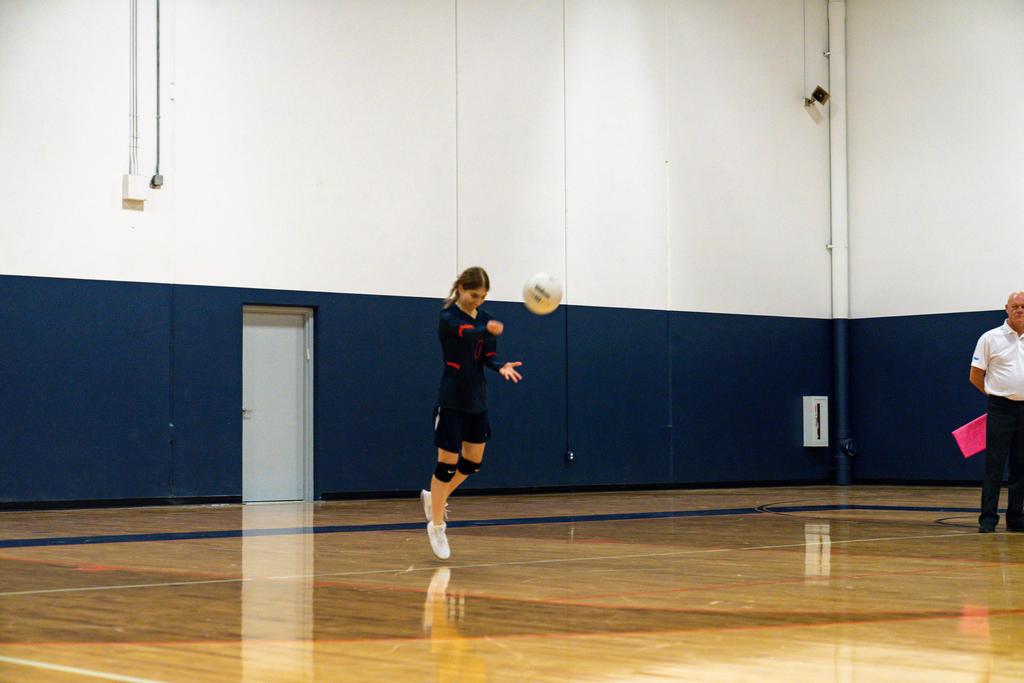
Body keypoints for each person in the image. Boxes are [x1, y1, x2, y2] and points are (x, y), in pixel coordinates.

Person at [420, 267, 523, 559]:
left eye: (483, 297)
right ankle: (437, 526)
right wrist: (485, 330)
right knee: (446, 465)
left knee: (473, 463)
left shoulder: (485, 319)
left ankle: (435, 497)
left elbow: (488, 355)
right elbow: (466, 333)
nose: (478, 301)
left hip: (477, 399)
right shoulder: (448, 317)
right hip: (452, 399)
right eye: (474, 295)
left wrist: (500, 366)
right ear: (461, 289)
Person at [970, 291, 1024, 532]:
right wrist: (996, 394)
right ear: (1006, 308)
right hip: (1001, 408)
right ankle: (988, 519)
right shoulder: (990, 338)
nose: (1020, 310)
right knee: (994, 465)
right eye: (1015, 306)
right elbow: (975, 375)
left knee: (1020, 466)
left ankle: (1016, 518)